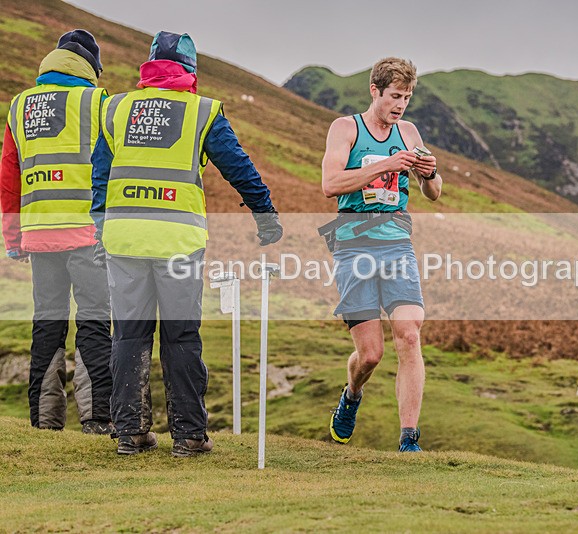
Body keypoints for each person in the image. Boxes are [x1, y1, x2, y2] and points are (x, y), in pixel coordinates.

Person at [91, 31, 283, 456]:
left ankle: (130, 434)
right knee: (180, 337)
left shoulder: (116, 109)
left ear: (148, 66)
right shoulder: (202, 112)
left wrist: (101, 229)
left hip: (123, 239)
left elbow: (100, 177)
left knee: (128, 336)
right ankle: (189, 436)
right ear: (191, 72)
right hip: (178, 240)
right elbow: (238, 166)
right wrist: (265, 215)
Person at [321, 57, 442, 452]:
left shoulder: (408, 131)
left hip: (397, 243)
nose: (400, 105)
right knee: (370, 354)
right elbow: (330, 184)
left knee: (409, 333)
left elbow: (434, 192)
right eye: (394, 96)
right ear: (374, 91)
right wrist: (387, 164)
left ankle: (409, 438)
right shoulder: (346, 129)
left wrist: (429, 173)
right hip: (353, 245)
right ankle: (352, 394)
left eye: (406, 97)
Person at [1, 30, 113, 434]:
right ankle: (98, 418)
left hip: (39, 235)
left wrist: (14, 240)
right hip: (87, 234)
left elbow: (9, 178)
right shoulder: (97, 103)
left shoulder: (20, 107)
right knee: (95, 322)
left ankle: (44, 423)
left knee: (47, 323)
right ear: (90, 68)